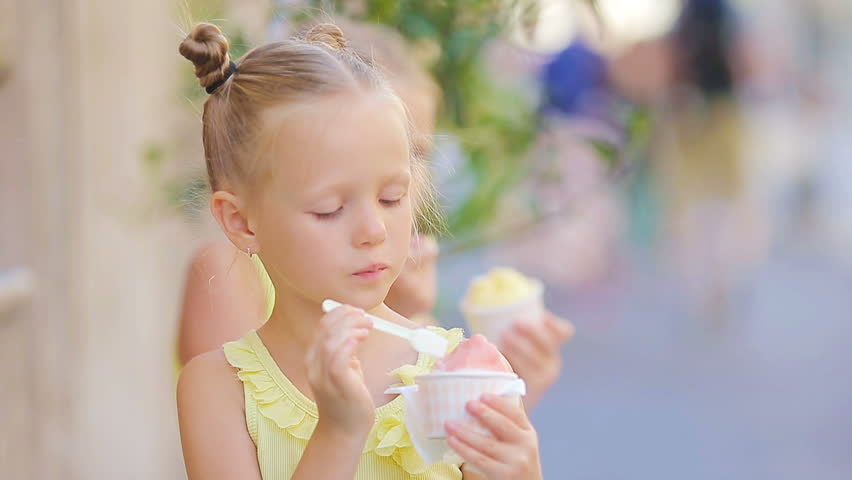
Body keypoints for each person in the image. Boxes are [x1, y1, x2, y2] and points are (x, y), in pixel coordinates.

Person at [177, 22, 546, 479]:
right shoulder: (219, 389)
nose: (373, 230)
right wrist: (338, 434)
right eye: (329, 209)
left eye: (392, 198)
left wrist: (522, 471)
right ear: (241, 222)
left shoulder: (451, 373)